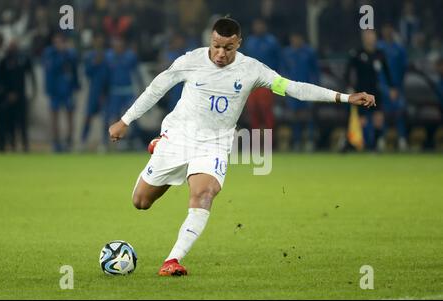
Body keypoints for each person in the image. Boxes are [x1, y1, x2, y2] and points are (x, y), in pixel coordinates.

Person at [108, 17, 375, 276]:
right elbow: (156, 89)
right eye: (216, 45)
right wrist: (125, 120)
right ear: (210, 40)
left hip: (214, 144)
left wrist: (343, 97)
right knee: (141, 202)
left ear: (239, 44)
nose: (220, 53)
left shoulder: (252, 70)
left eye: (228, 47)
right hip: (179, 137)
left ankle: (172, 260)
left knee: (204, 194)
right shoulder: (190, 61)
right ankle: (161, 147)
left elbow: (293, 88)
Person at [345, 29, 396, 151]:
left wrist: (392, 87)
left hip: (375, 91)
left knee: (378, 118)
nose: (369, 38)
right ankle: (357, 145)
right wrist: (349, 86)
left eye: (371, 36)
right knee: (361, 120)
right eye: (367, 36)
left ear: (375, 38)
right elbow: (347, 72)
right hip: (360, 91)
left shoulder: (379, 54)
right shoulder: (357, 53)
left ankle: (376, 145)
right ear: (363, 38)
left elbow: (387, 72)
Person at [280, 33, 320, 151]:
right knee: (294, 116)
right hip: (292, 89)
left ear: (301, 39)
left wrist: (315, 87)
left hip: (307, 89)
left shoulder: (309, 52)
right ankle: (296, 141)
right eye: (293, 38)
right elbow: (283, 71)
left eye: (297, 38)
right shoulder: (286, 53)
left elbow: (315, 71)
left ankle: (310, 141)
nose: (295, 40)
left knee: (308, 115)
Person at [0, 40, 35, 152]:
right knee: (9, 123)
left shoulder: (23, 60)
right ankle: (9, 145)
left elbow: (29, 77)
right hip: (6, 98)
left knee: (22, 123)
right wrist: (6, 94)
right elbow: (0, 80)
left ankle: (25, 145)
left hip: (21, 96)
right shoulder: (3, 61)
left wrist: (30, 93)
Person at [42, 33, 79, 152]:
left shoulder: (70, 53)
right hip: (55, 90)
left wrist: (76, 86)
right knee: (54, 116)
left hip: (68, 90)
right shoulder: (49, 53)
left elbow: (75, 68)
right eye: (56, 42)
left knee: (70, 116)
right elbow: (51, 69)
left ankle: (69, 141)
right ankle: (55, 142)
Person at [242, 18, 280, 131]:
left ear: (265, 26)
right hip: (252, 82)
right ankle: (256, 144)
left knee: (266, 111)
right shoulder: (249, 41)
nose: (258, 27)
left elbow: (279, 61)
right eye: (256, 25)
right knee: (253, 111)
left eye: (260, 25)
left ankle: (269, 144)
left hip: (267, 81)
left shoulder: (272, 42)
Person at [377, 23, 408, 151]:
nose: (387, 31)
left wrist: (396, 87)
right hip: (381, 88)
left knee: (399, 112)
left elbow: (403, 69)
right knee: (380, 112)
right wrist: (384, 88)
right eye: (385, 28)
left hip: (396, 88)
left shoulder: (399, 49)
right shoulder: (378, 48)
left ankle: (402, 139)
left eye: (389, 28)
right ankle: (380, 139)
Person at [80, 34, 109, 149]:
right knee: (88, 116)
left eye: (101, 42)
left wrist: (106, 91)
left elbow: (109, 75)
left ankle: (104, 143)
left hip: (104, 92)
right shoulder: (89, 57)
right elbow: (87, 73)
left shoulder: (108, 56)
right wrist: (94, 63)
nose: (99, 44)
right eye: (97, 41)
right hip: (93, 92)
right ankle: (83, 141)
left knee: (105, 119)